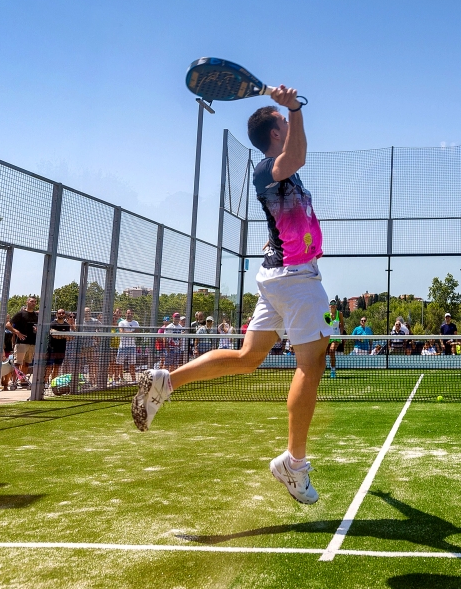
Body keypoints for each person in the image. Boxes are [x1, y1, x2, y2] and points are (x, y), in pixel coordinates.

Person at [132, 88, 335, 505]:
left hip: (280, 275)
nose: (289, 123)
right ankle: (293, 466)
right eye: (284, 121)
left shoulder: (282, 177)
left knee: (248, 358)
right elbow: (295, 157)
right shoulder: (270, 168)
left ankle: (165, 381)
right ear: (276, 134)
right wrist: (295, 107)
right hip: (296, 280)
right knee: (311, 365)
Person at [7, 296, 39, 386]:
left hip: (32, 342)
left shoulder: (36, 315)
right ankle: (13, 382)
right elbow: (8, 325)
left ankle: (22, 380)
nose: (33, 303)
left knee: (27, 363)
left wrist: (37, 329)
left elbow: (38, 326)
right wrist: (17, 332)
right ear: (27, 302)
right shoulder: (20, 314)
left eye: (35, 302)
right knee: (17, 363)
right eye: (32, 301)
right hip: (21, 342)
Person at [46, 309, 75, 384]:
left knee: (57, 367)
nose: (61, 314)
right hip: (52, 348)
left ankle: (53, 384)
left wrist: (59, 334)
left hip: (62, 349)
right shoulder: (53, 324)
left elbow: (69, 337)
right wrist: (63, 335)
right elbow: (53, 334)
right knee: (49, 367)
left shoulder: (66, 325)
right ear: (56, 314)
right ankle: (45, 382)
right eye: (59, 313)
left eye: (63, 313)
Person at [116, 308, 140, 382]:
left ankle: (134, 380)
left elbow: (138, 331)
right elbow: (121, 332)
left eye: (131, 313)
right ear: (125, 314)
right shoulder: (121, 322)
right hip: (123, 346)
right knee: (120, 364)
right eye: (128, 313)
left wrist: (127, 332)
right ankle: (120, 378)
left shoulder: (136, 323)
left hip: (132, 346)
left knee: (132, 364)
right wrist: (132, 332)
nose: (129, 315)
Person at [323, 299, 345, 377]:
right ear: (329, 306)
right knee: (324, 353)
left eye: (334, 304)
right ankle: (323, 368)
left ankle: (333, 371)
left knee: (332, 351)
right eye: (331, 304)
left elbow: (342, 325)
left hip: (336, 337)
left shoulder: (339, 314)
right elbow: (326, 326)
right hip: (328, 336)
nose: (332, 305)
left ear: (336, 306)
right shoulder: (326, 315)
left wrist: (341, 334)